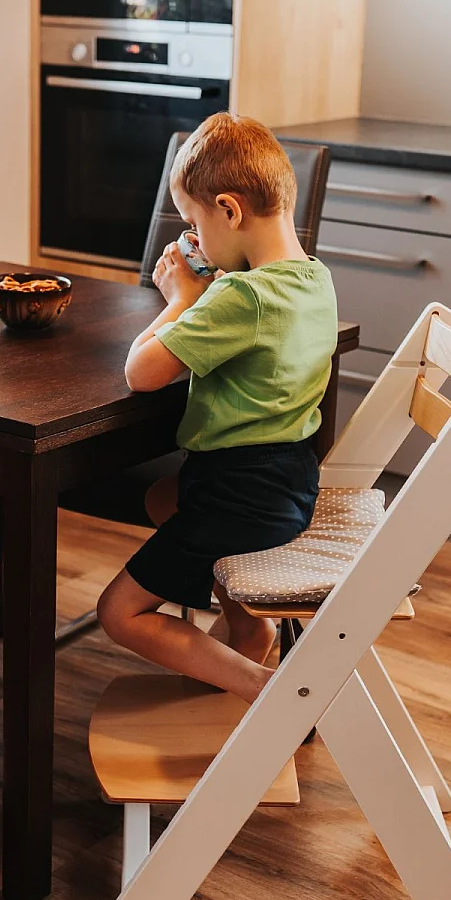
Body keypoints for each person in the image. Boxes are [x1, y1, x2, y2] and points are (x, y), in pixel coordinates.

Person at [96, 112, 338, 703]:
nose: (196, 240)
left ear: (230, 210)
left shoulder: (242, 295)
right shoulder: (314, 278)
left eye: (196, 223)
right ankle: (248, 626)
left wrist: (180, 297)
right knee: (161, 499)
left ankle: (267, 689)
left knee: (118, 612)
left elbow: (141, 371)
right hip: (289, 482)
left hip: (238, 496)